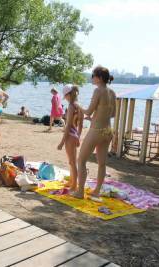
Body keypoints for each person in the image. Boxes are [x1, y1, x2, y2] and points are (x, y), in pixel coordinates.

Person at [71, 66, 116, 201]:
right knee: (102, 163)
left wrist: (77, 105)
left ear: (100, 78)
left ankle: (80, 192)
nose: (91, 78)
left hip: (96, 131)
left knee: (81, 160)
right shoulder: (112, 92)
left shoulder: (98, 91)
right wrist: (95, 117)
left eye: (93, 75)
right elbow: (112, 114)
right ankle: (96, 191)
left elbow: (88, 111)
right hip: (108, 130)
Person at [58, 85, 83, 192]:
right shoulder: (79, 106)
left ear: (68, 95)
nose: (66, 98)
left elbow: (68, 126)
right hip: (75, 135)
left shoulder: (72, 106)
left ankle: (74, 185)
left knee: (72, 162)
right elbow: (81, 124)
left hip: (70, 136)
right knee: (72, 161)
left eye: (65, 96)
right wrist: (78, 136)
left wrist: (62, 142)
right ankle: (72, 181)